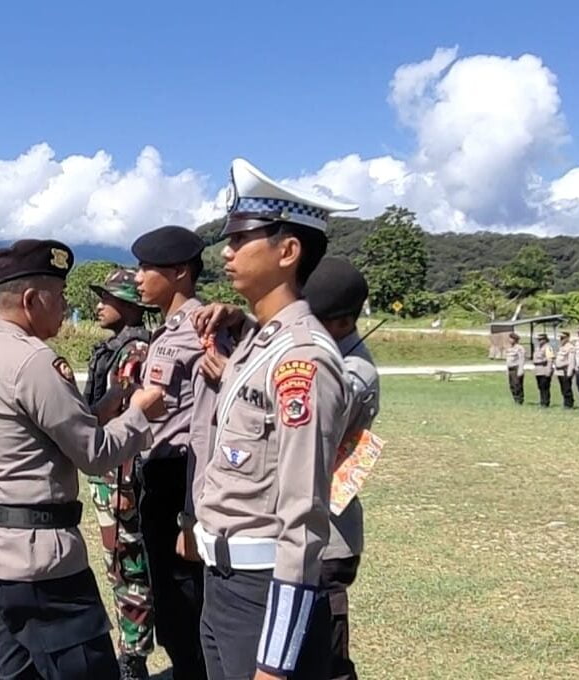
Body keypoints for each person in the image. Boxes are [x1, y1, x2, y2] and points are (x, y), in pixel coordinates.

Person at [0, 239, 166, 680]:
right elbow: (94, 455)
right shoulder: (34, 362)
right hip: (38, 560)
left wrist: (100, 408)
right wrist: (140, 413)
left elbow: (31, 434)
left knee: (15, 673)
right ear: (31, 300)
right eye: (60, 295)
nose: (66, 306)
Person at [193, 158, 354, 679]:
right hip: (223, 583)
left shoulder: (302, 360)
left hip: (262, 592)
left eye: (242, 239)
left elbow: (303, 516)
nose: (227, 252)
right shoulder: (260, 342)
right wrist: (238, 321)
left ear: (287, 252)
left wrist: (276, 660)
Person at [128, 224, 225, 680]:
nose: (137, 277)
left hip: (180, 478)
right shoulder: (166, 330)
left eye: (147, 267)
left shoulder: (201, 330)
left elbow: (205, 428)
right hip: (156, 473)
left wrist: (191, 515)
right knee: (167, 604)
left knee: (186, 607)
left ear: (180, 272)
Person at [302, 256, 379, 680]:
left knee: (327, 660)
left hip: (329, 539)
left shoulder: (354, 373)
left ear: (344, 322)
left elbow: (309, 420)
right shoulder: (329, 356)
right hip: (310, 529)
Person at [82, 268, 156, 678]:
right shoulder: (116, 348)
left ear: (128, 306)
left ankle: (133, 656)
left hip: (122, 477)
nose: (98, 305)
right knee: (119, 564)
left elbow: (133, 421)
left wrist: (125, 483)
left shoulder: (135, 352)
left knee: (129, 566)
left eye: (106, 299)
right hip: (109, 476)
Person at [553, 331, 576, 409]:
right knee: (563, 388)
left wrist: (570, 371)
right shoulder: (561, 347)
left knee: (567, 388)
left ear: (567, 338)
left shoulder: (570, 347)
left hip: (566, 370)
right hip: (560, 371)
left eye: (563, 338)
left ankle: (569, 404)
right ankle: (565, 402)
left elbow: (571, 361)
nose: (561, 339)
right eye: (560, 338)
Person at [532, 333, 554, 407]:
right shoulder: (537, 348)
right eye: (538, 339)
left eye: (541, 339)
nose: (539, 341)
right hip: (538, 370)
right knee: (540, 387)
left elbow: (550, 360)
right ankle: (542, 401)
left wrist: (549, 370)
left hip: (544, 369)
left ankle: (545, 402)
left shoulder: (548, 348)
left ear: (545, 340)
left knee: (545, 387)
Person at [504, 332, 525, 404]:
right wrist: (507, 370)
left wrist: (520, 370)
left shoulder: (519, 348)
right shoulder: (509, 348)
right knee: (512, 385)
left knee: (517, 385)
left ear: (515, 339)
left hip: (516, 368)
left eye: (511, 339)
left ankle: (520, 400)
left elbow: (521, 359)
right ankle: (515, 399)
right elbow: (508, 360)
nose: (510, 340)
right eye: (509, 338)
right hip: (510, 369)